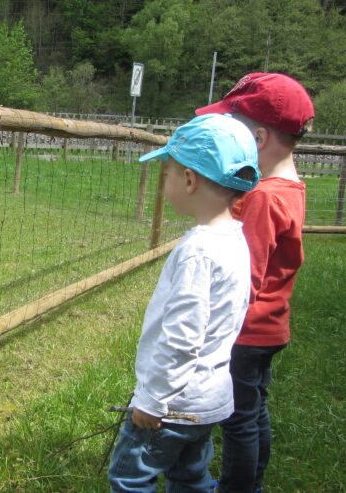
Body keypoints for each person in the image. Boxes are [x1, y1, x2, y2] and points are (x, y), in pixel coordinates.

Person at [108, 113, 260, 492]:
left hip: (173, 406)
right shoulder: (235, 241)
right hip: (210, 401)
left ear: (189, 180)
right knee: (190, 477)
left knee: (129, 476)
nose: (167, 183)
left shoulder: (198, 250)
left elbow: (181, 339)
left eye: (169, 174)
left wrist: (152, 400)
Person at [195, 73, 315, 493]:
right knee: (254, 410)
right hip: (271, 327)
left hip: (246, 332)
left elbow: (243, 277)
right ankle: (254, 481)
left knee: (238, 419)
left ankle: (238, 487)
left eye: (232, 126)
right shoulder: (291, 189)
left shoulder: (263, 197)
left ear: (258, 138)